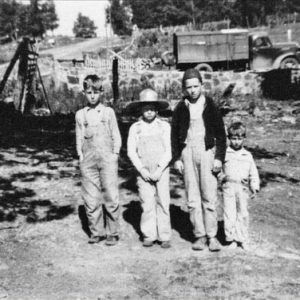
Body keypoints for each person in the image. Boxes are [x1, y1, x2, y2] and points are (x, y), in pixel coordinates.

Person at [171, 68, 227, 251]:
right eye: (189, 87)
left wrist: (219, 158)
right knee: (193, 197)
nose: (193, 90)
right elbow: (174, 134)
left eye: (196, 86)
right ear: (184, 89)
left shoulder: (210, 106)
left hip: (206, 152)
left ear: (202, 86)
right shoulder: (181, 107)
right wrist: (177, 157)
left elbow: (221, 134)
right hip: (187, 152)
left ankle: (212, 236)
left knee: (209, 195)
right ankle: (200, 235)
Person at [75, 74, 121, 246]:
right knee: (91, 197)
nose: (92, 96)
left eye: (95, 92)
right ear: (84, 93)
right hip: (88, 160)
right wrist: (80, 155)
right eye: (88, 92)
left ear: (101, 92)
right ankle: (96, 232)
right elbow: (79, 137)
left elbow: (116, 135)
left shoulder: (108, 113)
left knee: (110, 194)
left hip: (107, 159)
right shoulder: (80, 115)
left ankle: (112, 232)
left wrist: (115, 154)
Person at [127, 88, 172, 248]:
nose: (149, 112)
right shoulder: (135, 128)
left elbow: (169, 150)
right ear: (140, 109)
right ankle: (149, 234)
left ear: (157, 109)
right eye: (146, 108)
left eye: (152, 108)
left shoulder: (164, 126)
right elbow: (131, 151)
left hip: (162, 169)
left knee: (163, 201)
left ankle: (164, 235)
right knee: (147, 203)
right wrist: (142, 170)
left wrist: (160, 169)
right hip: (144, 170)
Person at [221, 121, 260, 250]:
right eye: (233, 139)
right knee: (229, 213)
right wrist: (222, 178)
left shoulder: (247, 155)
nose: (236, 142)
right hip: (228, 187)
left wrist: (254, 186)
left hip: (242, 189)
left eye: (239, 138)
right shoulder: (224, 154)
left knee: (242, 213)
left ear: (244, 138)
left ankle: (242, 238)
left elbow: (253, 173)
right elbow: (217, 170)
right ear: (229, 138)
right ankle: (231, 238)